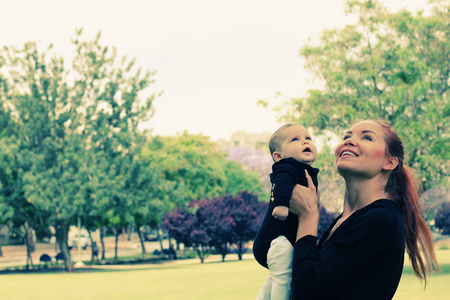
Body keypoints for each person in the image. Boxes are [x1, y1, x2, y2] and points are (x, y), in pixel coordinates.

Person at [289, 120, 440, 300]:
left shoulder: (380, 220)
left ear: (389, 162)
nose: (349, 141)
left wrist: (308, 215)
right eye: (346, 136)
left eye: (367, 137)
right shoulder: (347, 219)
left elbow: (306, 291)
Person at [253, 123, 319, 300]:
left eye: (307, 138)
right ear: (278, 156)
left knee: (278, 277)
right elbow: (281, 184)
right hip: (276, 241)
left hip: (282, 242)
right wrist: (281, 205)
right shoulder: (287, 166)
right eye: (295, 139)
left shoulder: (304, 170)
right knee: (284, 281)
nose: (304, 142)